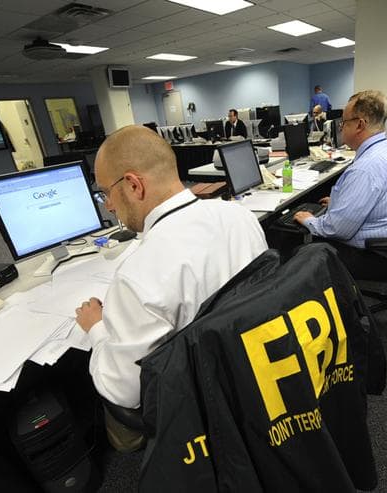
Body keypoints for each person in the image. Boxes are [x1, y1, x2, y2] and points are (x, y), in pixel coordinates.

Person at [74, 125, 267, 449]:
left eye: (106, 192)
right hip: (259, 370)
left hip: (204, 402)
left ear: (133, 185)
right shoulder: (240, 217)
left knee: (118, 422)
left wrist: (96, 329)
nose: (107, 205)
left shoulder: (136, 276)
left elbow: (123, 391)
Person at [293, 90, 387, 278]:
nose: (341, 128)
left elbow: (337, 229)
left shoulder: (365, 169)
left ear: (360, 124)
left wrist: (310, 220)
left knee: (305, 252)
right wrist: (339, 201)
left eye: (344, 122)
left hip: (380, 254)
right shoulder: (386, 149)